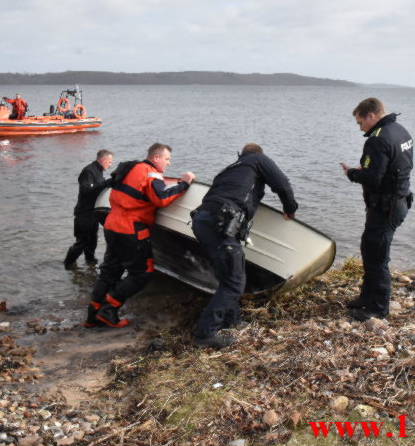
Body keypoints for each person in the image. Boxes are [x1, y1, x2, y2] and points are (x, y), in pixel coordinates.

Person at [191, 143, 298, 349]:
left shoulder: (229, 170)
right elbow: (282, 184)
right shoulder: (257, 159)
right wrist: (290, 209)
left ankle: (233, 320)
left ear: (240, 154)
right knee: (234, 281)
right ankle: (205, 334)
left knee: (227, 276)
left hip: (201, 220)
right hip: (220, 222)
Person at [83, 143, 195, 328]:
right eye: (167, 159)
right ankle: (108, 310)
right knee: (142, 273)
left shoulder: (130, 167)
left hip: (112, 225)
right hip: (131, 229)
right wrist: (184, 184)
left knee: (110, 271)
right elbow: (161, 198)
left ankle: (92, 315)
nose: (169, 163)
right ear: (156, 158)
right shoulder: (151, 173)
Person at [340, 97, 413, 321]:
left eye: (360, 122)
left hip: (385, 207)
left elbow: (372, 178)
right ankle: (367, 297)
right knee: (370, 250)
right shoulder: (400, 131)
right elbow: (397, 166)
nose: (360, 128)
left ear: (371, 115)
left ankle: (379, 308)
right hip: (398, 201)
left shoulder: (378, 139)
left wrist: (352, 173)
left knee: (377, 257)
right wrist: (371, 169)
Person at [64, 149, 114, 269]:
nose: (110, 165)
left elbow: (99, 190)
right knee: (81, 243)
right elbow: (86, 190)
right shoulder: (88, 171)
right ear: (102, 160)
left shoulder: (99, 171)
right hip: (83, 214)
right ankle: (68, 264)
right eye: (110, 162)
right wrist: (106, 183)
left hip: (93, 214)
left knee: (92, 241)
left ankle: (90, 262)